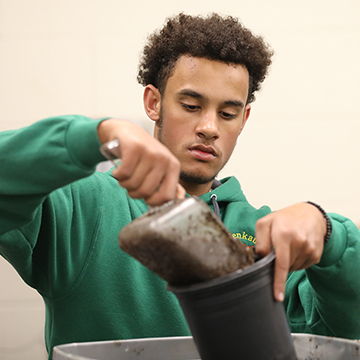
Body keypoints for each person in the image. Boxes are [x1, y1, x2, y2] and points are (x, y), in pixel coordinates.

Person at [1, 13, 360, 359]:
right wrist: (92, 136)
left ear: (244, 119)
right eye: (191, 105)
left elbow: (344, 329)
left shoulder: (269, 239)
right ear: (153, 103)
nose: (209, 127)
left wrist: (330, 234)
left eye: (228, 113)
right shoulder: (84, 206)